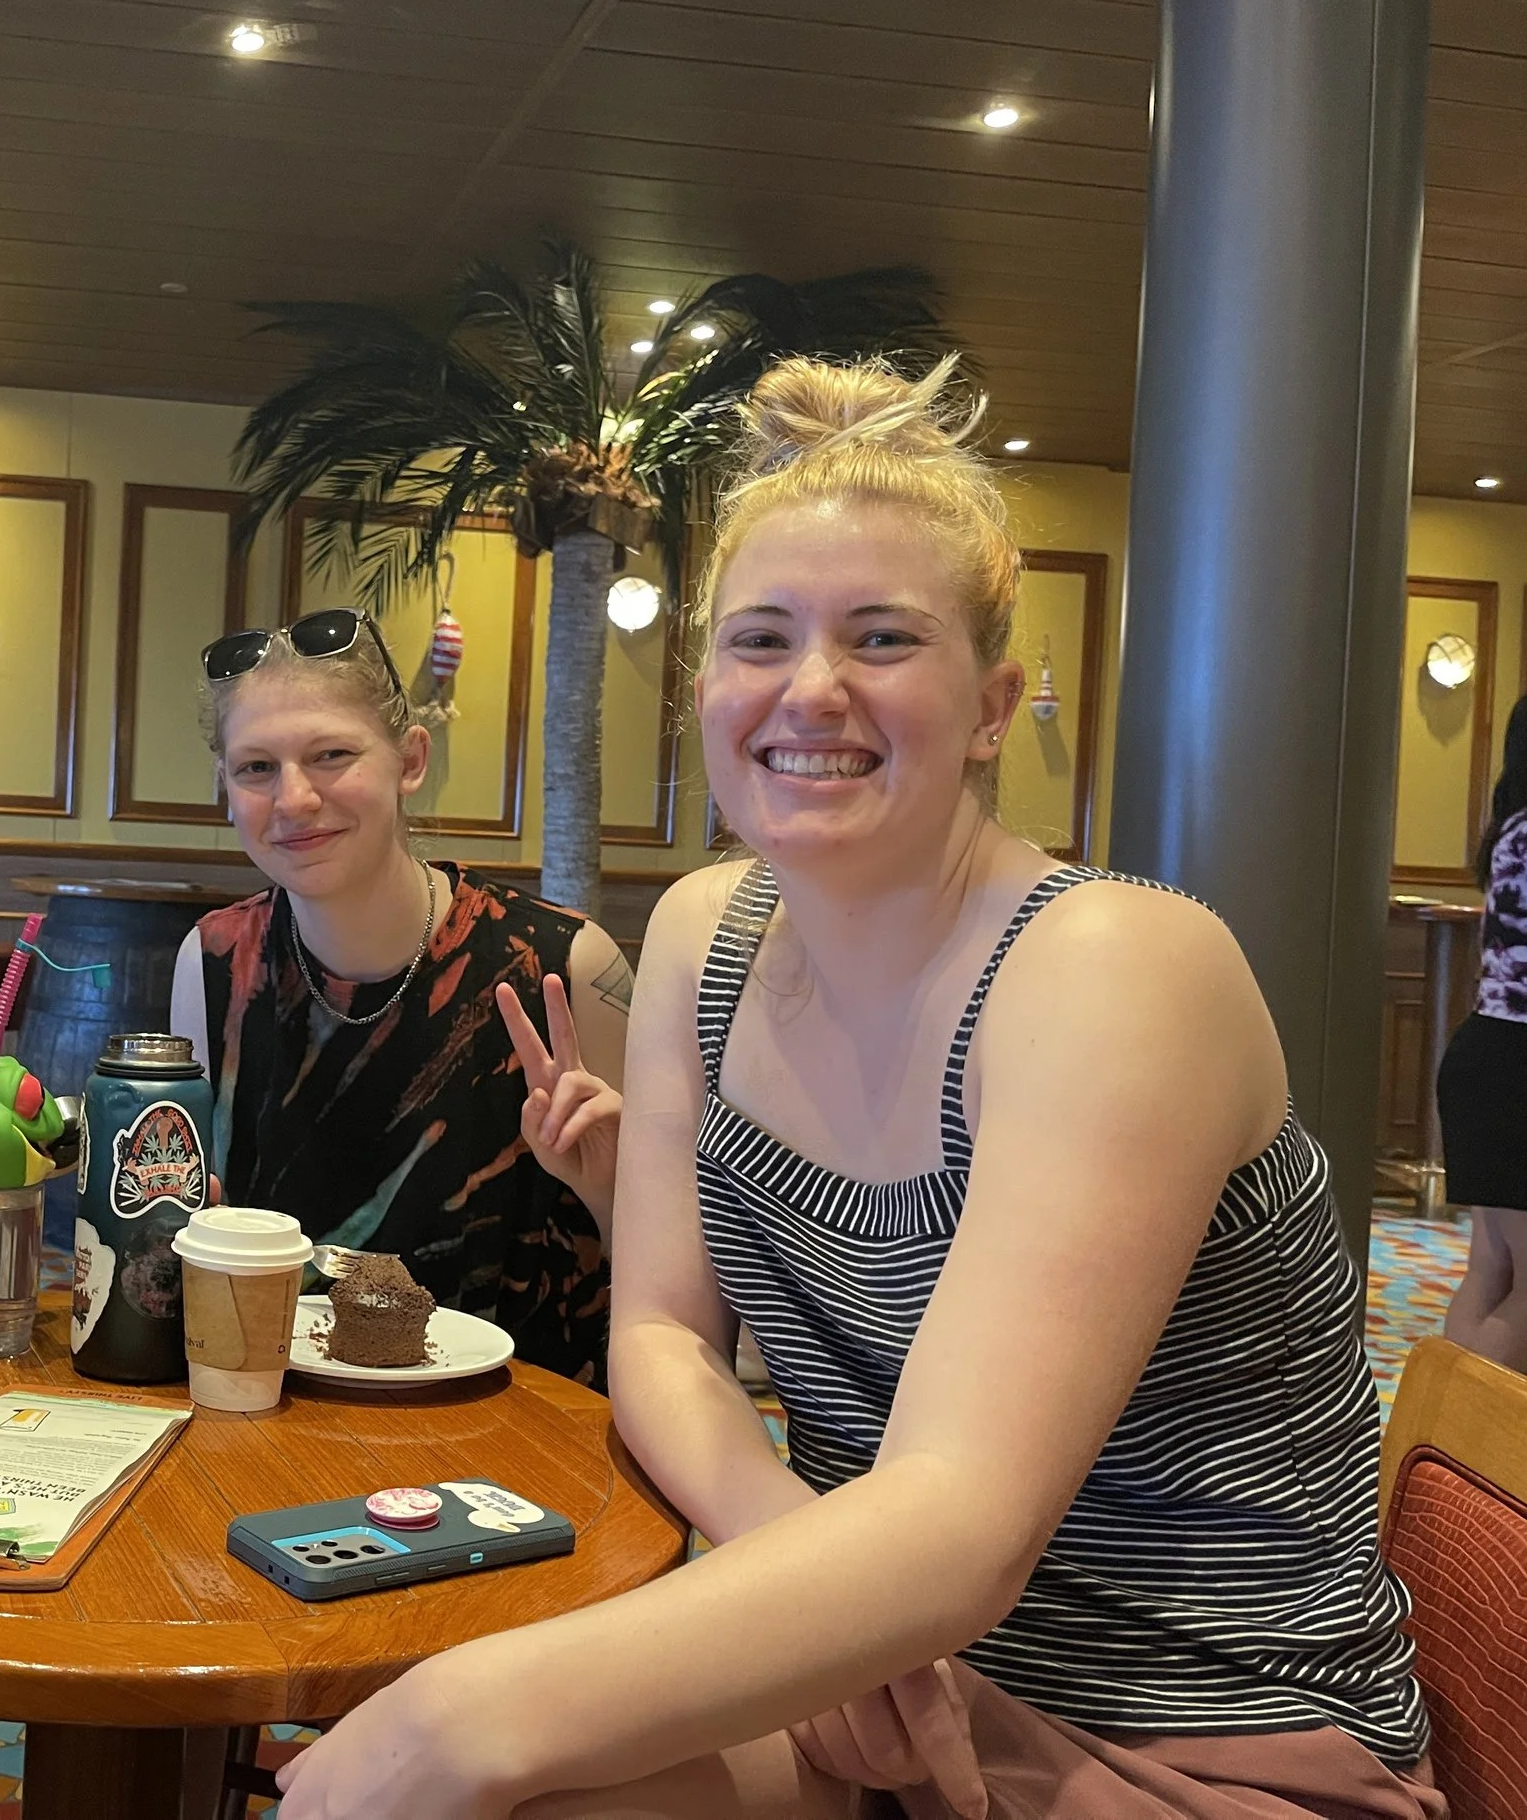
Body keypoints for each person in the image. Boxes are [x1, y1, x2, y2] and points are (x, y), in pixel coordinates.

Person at [270, 359, 1436, 1820]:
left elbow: (959, 1529)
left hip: (1204, 1745)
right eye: (760, 640)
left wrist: (452, 1718)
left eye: (882, 638)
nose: (811, 689)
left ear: (993, 704)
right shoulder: (702, 936)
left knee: (446, 1757)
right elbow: (662, 1336)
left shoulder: (1115, 969)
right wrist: (808, 1582)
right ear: (705, 692)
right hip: (886, 1681)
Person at [167, 608, 629, 1387]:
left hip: (527, 1418)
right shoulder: (213, 961)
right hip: (273, 1406)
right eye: (256, 767)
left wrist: (612, 1185)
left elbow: (679, 1275)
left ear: (410, 760)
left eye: (332, 755)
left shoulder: (566, 964)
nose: (294, 798)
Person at [1437, 694, 1527, 1371]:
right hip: (1518, 1062)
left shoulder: (1510, 830)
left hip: (1484, 1054)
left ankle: (1441, 1427)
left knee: (1489, 1270)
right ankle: (1476, 1435)